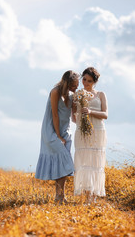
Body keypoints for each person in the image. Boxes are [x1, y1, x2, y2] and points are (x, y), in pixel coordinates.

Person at [35, 70, 80, 204]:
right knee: (65, 161)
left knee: (63, 164)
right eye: (73, 86)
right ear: (67, 83)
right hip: (51, 130)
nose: (75, 88)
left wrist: (78, 103)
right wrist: (58, 136)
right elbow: (54, 114)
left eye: (77, 86)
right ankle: (59, 196)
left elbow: (73, 116)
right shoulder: (55, 92)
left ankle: (60, 197)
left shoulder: (72, 95)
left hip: (66, 131)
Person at [72, 67, 108, 204]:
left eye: (90, 81)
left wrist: (90, 112)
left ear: (95, 82)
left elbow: (105, 115)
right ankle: (85, 195)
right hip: (83, 131)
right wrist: (80, 118)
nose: (86, 83)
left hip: (98, 131)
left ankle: (93, 196)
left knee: (95, 163)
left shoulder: (101, 95)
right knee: (83, 162)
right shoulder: (78, 95)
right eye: (84, 79)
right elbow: (74, 118)